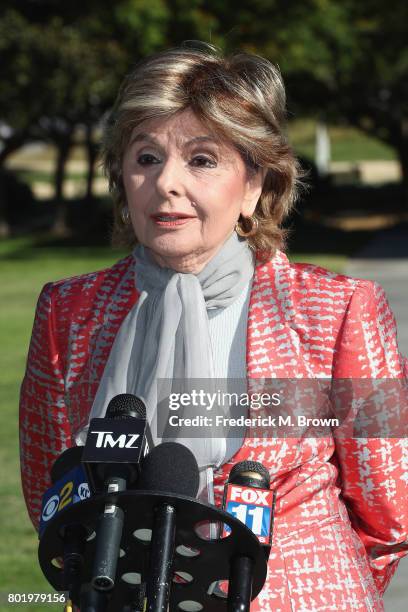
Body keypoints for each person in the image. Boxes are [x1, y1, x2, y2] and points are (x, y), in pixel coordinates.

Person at [20, 41, 407, 611]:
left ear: (254, 185)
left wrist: (312, 589)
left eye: (202, 159)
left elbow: (390, 512)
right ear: (121, 178)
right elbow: (53, 497)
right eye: (146, 157)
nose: (167, 183)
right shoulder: (67, 312)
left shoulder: (340, 311)